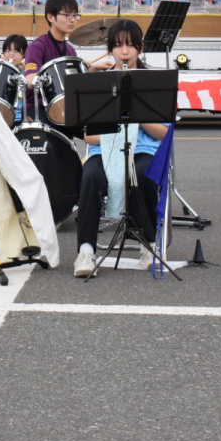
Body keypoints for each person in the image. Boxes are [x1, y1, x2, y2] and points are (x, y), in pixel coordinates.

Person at [72, 20, 169, 277]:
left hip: (143, 149)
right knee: (91, 178)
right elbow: (88, 136)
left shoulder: (154, 81)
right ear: (110, 49)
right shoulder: (99, 83)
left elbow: (165, 133)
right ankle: (85, 250)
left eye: (129, 45)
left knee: (144, 175)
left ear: (140, 47)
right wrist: (114, 134)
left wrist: (137, 113)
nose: (124, 51)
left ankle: (148, 243)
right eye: (117, 46)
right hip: (104, 150)